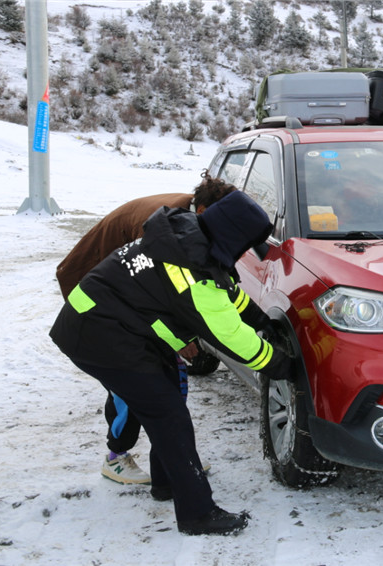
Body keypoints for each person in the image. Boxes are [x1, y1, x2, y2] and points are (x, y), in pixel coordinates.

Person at [50, 190, 291, 535]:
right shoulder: (194, 274)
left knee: (167, 405)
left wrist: (261, 319)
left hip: (118, 325)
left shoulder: (189, 238)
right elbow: (232, 336)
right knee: (169, 415)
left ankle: (166, 482)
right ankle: (197, 514)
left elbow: (228, 291)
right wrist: (281, 364)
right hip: (98, 333)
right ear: (233, 236)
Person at [56, 175, 235, 485]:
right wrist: (178, 342)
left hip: (122, 302)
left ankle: (172, 459)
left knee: (163, 385)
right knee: (132, 385)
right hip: (97, 304)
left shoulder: (187, 220)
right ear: (205, 210)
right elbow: (153, 297)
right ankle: (116, 457)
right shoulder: (162, 229)